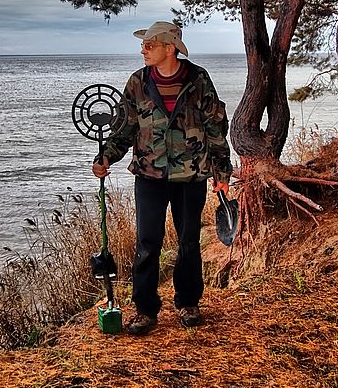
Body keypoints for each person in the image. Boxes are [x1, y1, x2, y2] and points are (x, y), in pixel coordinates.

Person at [92, 21, 233, 335]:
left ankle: (188, 303)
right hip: (149, 176)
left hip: (191, 175)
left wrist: (222, 173)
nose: (143, 50)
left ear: (170, 47)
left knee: (188, 242)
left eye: (150, 45)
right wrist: (106, 157)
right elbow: (124, 130)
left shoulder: (199, 80)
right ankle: (145, 310)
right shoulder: (137, 83)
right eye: (143, 45)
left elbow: (215, 130)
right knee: (147, 244)